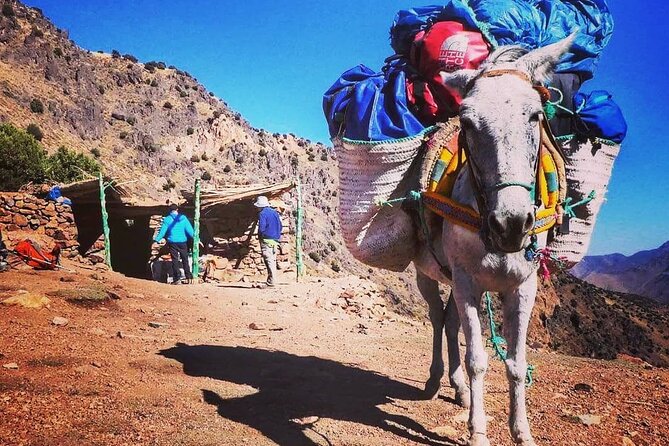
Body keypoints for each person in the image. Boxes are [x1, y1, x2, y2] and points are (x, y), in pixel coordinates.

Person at [154, 204, 195, 284]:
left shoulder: (167, 219)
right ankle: (189, 277)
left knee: (175, 260)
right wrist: (197, 239)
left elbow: (162, 232)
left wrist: (157, 240)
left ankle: (177, 278)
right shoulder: (183, 218)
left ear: (170, 211)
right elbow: (190, 230)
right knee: (185, 259)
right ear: (177, 210)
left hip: (172, 242)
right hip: (183, 242)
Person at [254, 196, 282, 287]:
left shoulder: (262, 213)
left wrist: (261, 236)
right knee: (272, 259)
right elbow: (280, 226)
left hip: (266, 239)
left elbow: (262, 227)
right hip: (275, 239)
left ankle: (272, 281)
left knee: (268, 259)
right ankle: (272, 279)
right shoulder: (275, 212)